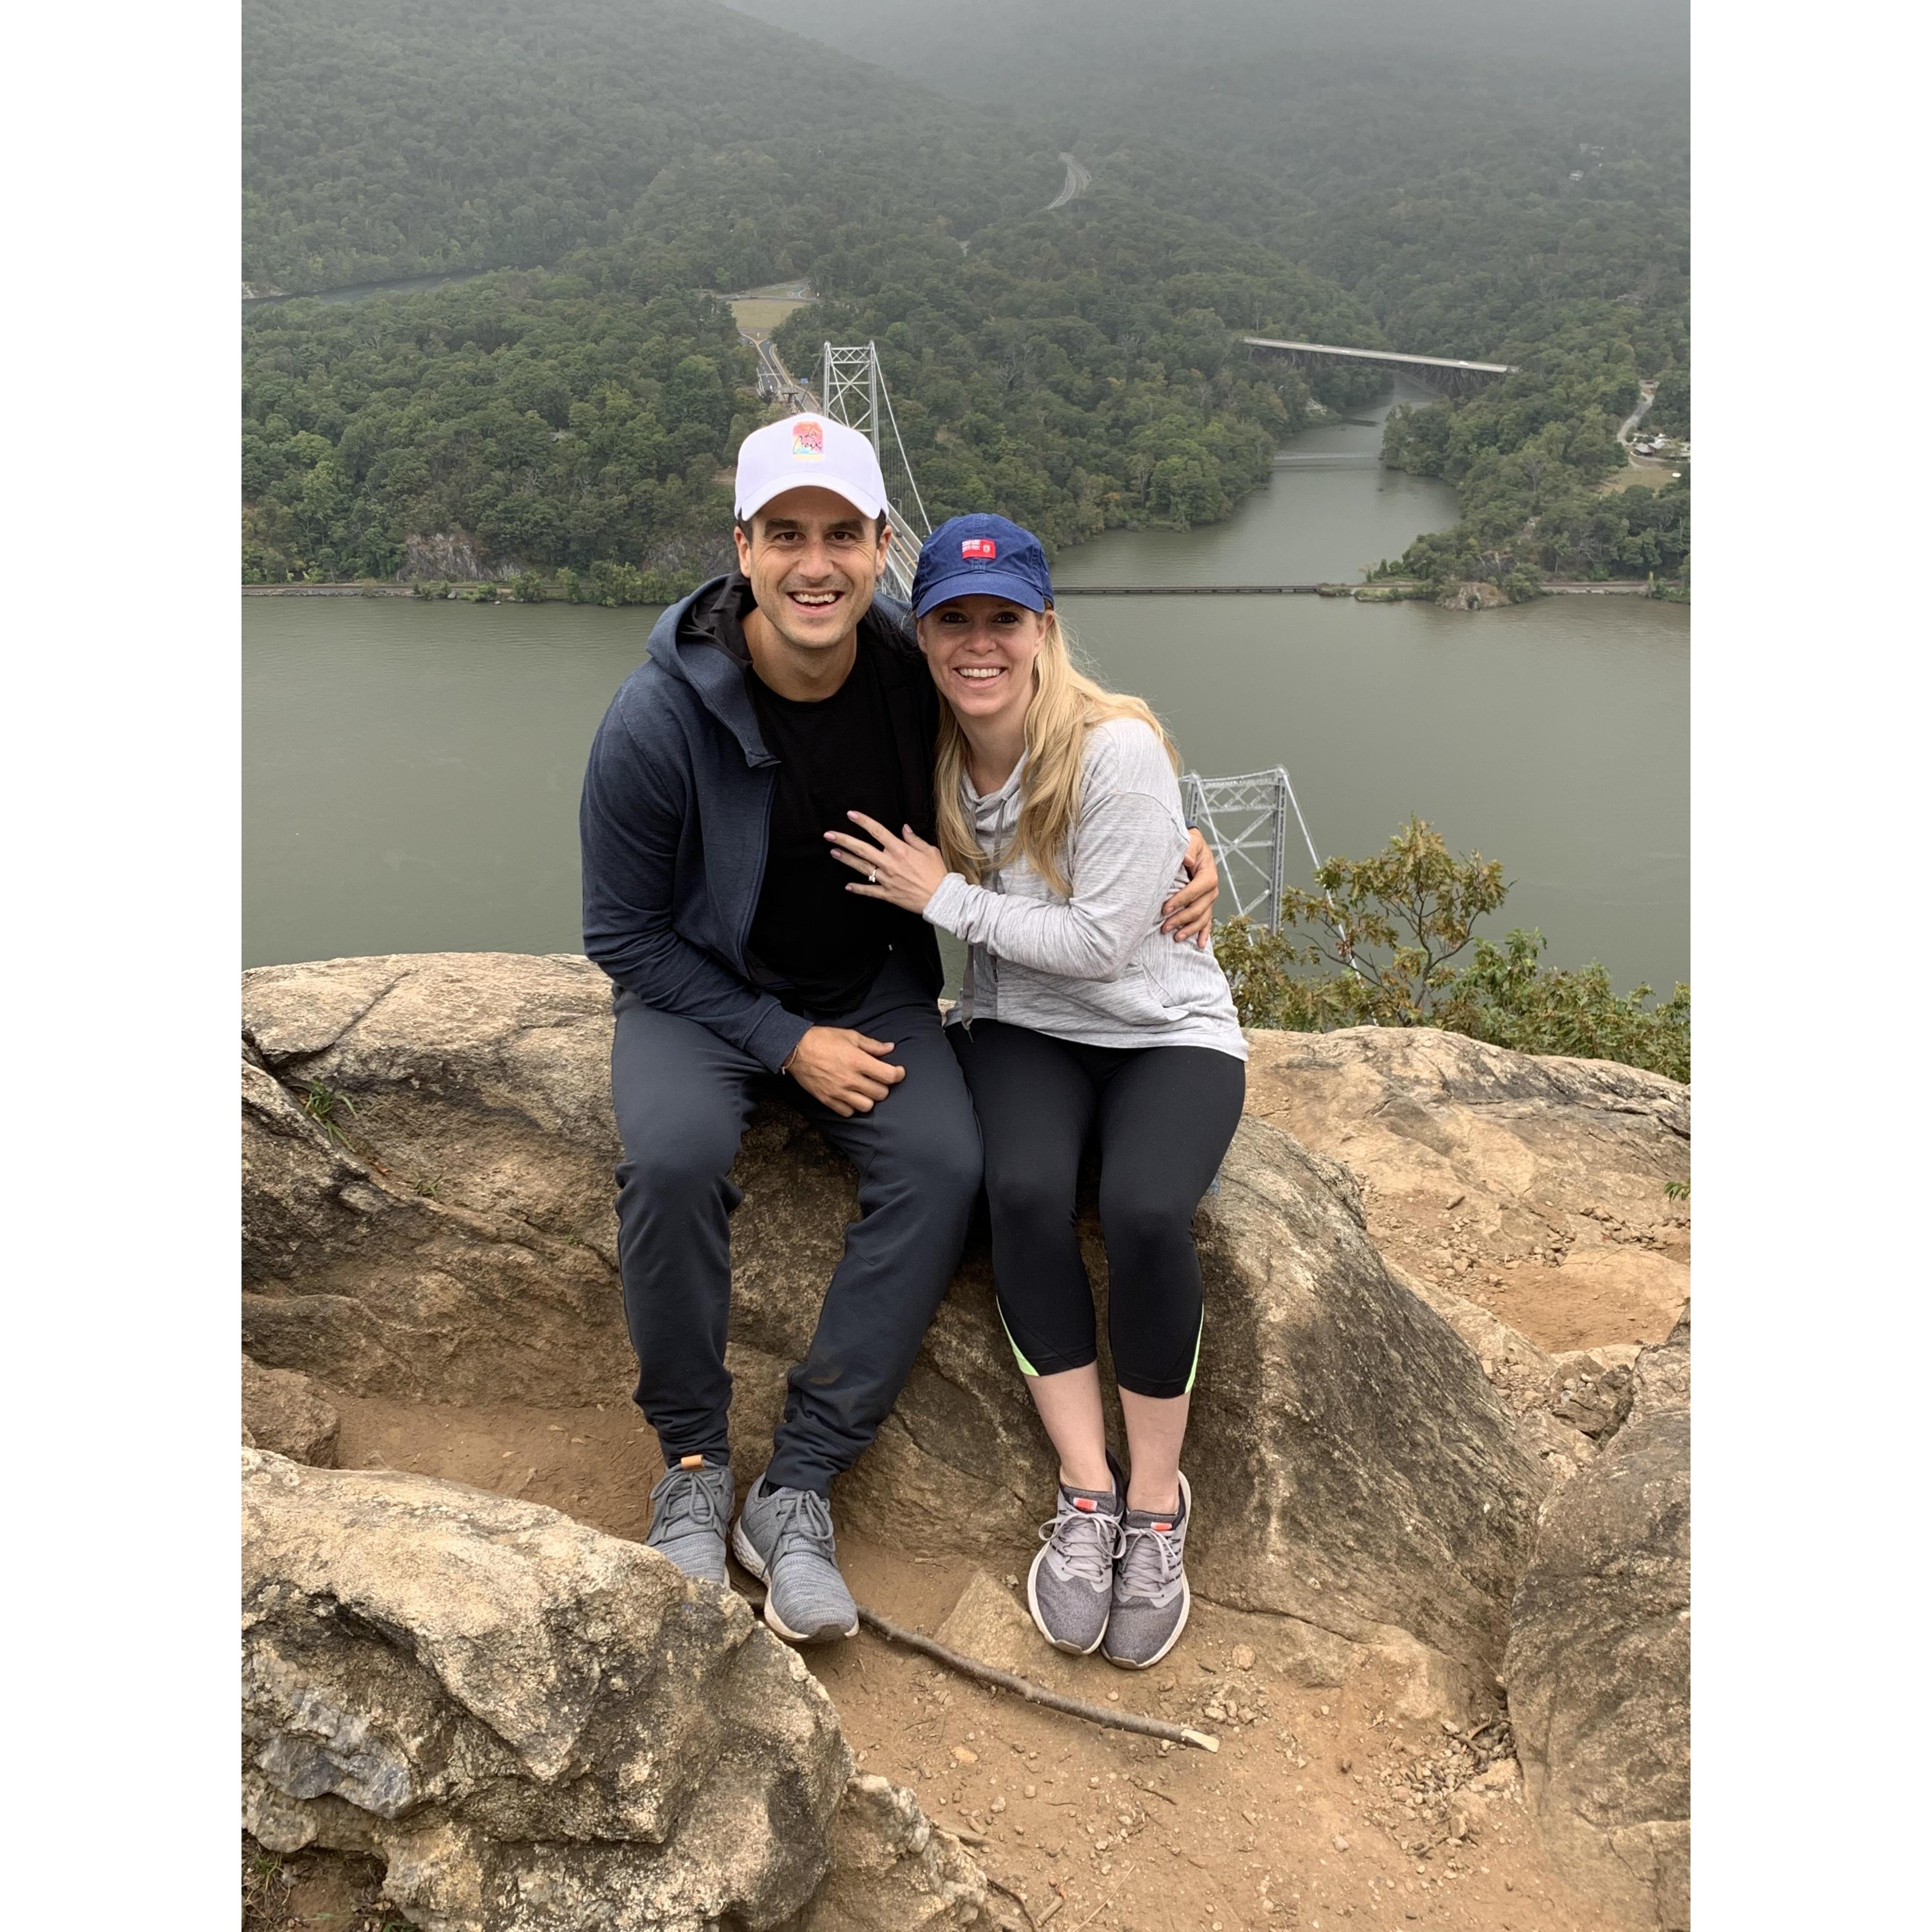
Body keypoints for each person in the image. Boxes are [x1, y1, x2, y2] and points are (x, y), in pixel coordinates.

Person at [579, 418, 1220, 1646]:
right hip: (698, 994)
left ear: (882, 547)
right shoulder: (655, 720)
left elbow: (1055, 738)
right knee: (671, 1159)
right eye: (786, 535)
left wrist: (1175, 846)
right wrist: (783, 1041)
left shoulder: (912, 666)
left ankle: (798, 1487)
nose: (814, 565)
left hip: (869, 984)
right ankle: (694, 1466)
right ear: (742, 550)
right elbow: (622, 933)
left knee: (943, 1165)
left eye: (841, 535)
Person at [827, 513, 1248, 1671]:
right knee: (1020, 1192)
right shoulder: (922, 741)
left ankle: (1156, 1506)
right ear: (921, 636)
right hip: (1021, 1028)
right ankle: (1087, 1489)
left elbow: (1106, 948)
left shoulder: (1116, 750)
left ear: (1045, 628)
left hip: (1165, 1029)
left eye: (1003, 619)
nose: (979, 644)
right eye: (952, 621)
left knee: (1150, 1210)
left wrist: (943, 899)